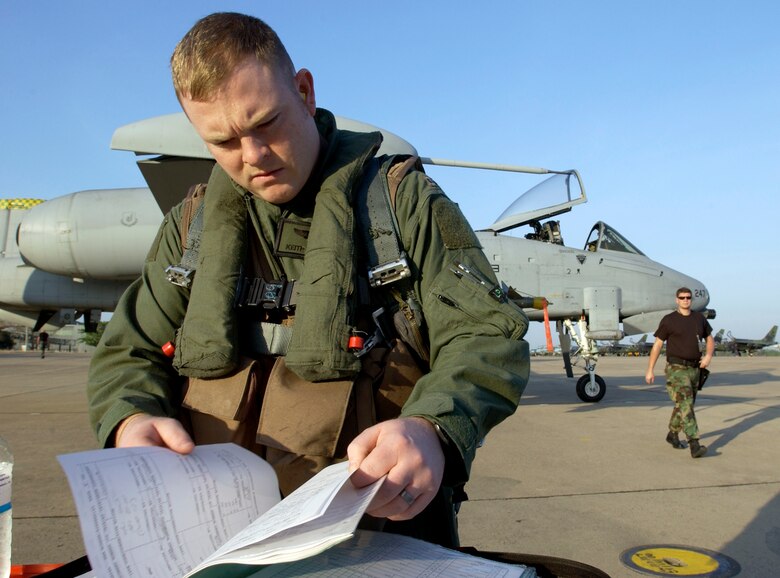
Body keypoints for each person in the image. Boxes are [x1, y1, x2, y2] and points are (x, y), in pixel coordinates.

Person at [87, 12, 530, 547]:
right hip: (215, 541)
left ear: (303, 91)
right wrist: (130, 420)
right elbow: (129, 350)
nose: (253, 157)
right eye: (224, 142)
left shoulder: (401, 204)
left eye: (266, 123)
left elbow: (483, 336)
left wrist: (432, 429)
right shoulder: (190, 227)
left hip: (376, 539)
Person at [645, 287, 714, 458]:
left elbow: (710, 338)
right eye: (682, 298)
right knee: (686, 404)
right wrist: (650, 369)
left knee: (683, 404)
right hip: (676, 369)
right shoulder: (669, 320)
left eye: (688, 297)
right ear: (677, 300)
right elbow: (657, 345)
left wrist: (708, 356)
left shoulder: (699, 318)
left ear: (691, 300)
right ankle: (694, 443)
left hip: (695, 368)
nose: (685, 300)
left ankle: (672, 434)